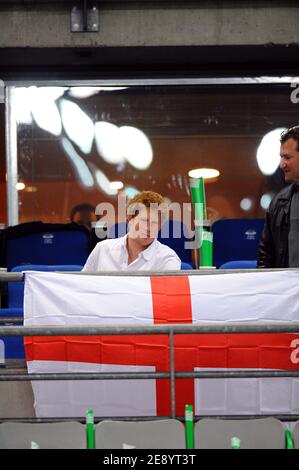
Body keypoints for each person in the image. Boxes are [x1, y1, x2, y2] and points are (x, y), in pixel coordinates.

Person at [82, 191, 181, 271]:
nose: (149, 228)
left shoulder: (167, 259)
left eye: (154, 223)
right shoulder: (102, 250)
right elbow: (81, 288)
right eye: (144, 220)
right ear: (130, 218)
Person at [257, 125, 299, 268]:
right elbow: (265, 258)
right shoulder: (278, 203)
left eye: (287, 157)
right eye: (281, 157)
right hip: (289, 290)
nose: (281, 164)